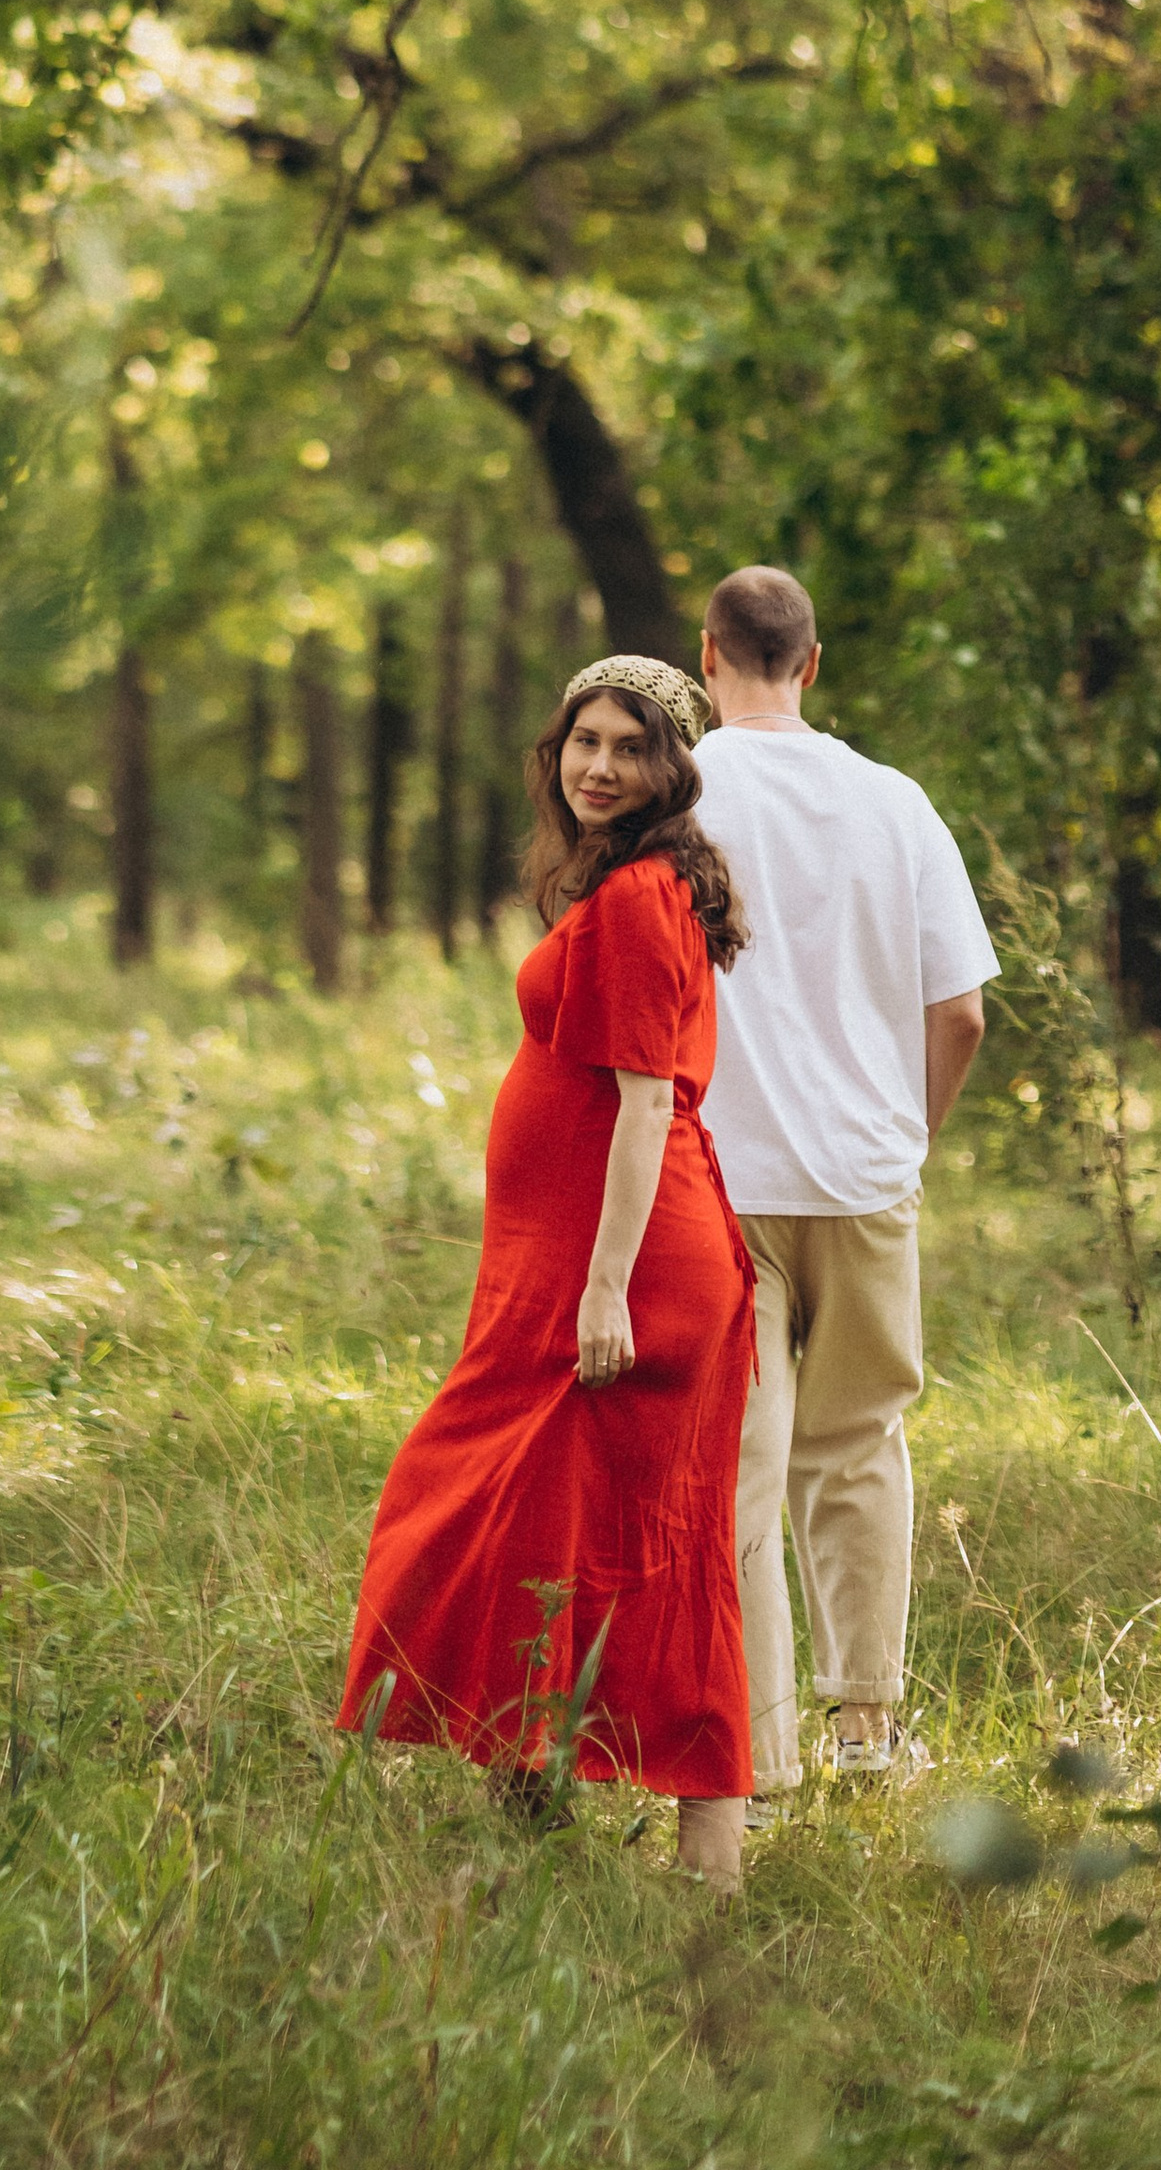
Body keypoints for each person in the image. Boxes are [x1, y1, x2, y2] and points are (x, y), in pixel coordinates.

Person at [338, 655, 757, 1885]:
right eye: (584, 740)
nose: (599, 766)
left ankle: (707, 1857)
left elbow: (643, 1104)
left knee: (608, 1538)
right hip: (578, 1257)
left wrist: (604, 1285)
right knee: (562, 1527)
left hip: (619, 1266)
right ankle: (530, 1792)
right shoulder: (629, 883)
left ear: (670, 768)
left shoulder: (635, 898)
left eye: (629, 747)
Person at [692, 565, 995, 1795]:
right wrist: (905, 1141)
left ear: (707, 656)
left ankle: (752, 1758)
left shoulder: (680, 795)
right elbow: (961, 1014)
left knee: (740, 1467)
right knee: (858, 1445)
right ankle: (865, 1731)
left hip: (720, 1182)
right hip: (866, 1180)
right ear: (811, 663)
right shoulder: (894, 802)